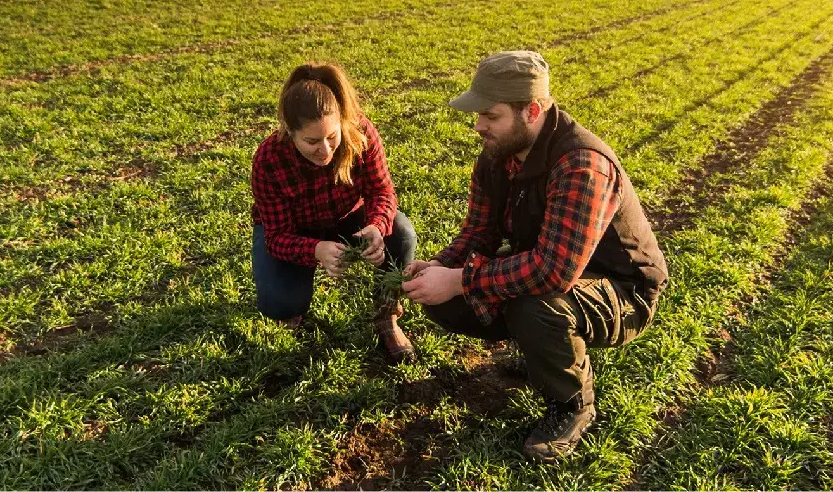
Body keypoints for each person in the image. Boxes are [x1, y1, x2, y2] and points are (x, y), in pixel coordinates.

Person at [401, 50, 668, 462]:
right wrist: (441, 265)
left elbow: (553, 271)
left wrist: (459, 280)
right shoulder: (498, 154)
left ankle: (573, 406)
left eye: (491, 115)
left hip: (623, 290)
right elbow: (479, 232)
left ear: (532, 111)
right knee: (449, 301)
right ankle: (541, 353)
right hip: (554, 268)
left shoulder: (582, 164)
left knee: (535, 306)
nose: (479, 126)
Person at [250, 62, 417, 362]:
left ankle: (387, 314)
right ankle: (293, 308)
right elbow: (276, 236)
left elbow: (382, 192)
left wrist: (377, 226)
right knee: (280, 302)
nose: (325, 150)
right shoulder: (269, 158)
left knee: (402, 235)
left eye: (331, 136)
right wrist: (315, 249)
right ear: (289, 132)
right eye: (312, 141)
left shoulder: (361, 133)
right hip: (296, 230)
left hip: (347, 215)